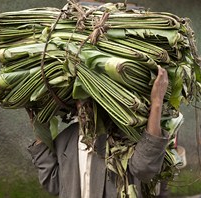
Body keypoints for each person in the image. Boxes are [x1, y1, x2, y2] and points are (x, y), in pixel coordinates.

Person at [27, 65, 169, 198]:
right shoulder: (66, 139)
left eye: (89, 99)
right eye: (78, 98)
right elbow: (53, 183)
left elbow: (144, 169)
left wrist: (157, 102)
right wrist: (38, 124)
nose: (83, 105)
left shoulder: (122, 136)